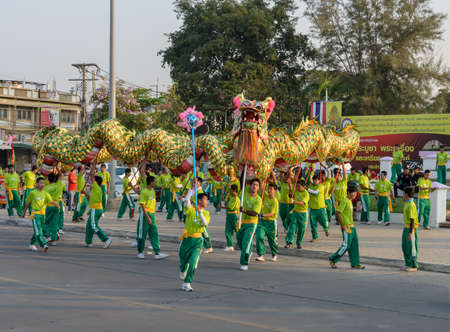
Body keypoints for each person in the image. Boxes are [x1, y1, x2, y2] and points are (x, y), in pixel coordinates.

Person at [178, 192, 210, 292]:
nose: (207, 202)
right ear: (199, 200)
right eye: (205, 199)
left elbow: (204, 223)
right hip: (187, 240)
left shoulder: (206, 213)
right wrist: (192, 189)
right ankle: (183, 269)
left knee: (193, 263)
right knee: (183, 260)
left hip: (198, 241)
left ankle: (187, 283)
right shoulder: (191, 210)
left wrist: (200, 212)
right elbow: (187, 201)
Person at [131, 175, 168, 260]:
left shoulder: (152, 191)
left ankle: (157, 253)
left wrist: (152, 216)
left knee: (154, 233)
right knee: (142, 234)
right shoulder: (144, 192)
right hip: (144, 215)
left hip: (152, 214)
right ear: (151, 182)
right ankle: (140, 252)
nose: (156, 183)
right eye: (155, 182)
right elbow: (142, 205)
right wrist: (147, 217)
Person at [329, 183, 365, 270]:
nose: (355, 194)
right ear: (348, 192)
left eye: (356, 193)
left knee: (354, 245)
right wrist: (342, 225)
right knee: (346, 246)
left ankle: (355, 264)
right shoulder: (344, 200)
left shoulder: (350, 201)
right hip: (346, 227)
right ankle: (333, 259)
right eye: (353, 193)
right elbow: (337, 212)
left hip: (352, 227)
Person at [21, 177, 58, 252]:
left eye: (43, 183)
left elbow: (50, 201)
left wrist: (56, 204)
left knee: (38, 230)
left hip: (42, 215)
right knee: (38, 231)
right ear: (36, 184)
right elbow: (27, 203)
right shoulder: (33, 193)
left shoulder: (45, 193)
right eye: (40, 183)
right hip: (35, 214)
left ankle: (32, 244)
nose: (42, 184)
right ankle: (44, 245)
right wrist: (24, 213)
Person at [83, 165, 112, 249]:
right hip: (95, 209)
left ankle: (106, 240)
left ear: (95, 182)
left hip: (96, 209)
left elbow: (92, 175)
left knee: (93, 225)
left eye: (93, 181)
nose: (91, 182)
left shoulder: (96, 187)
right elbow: (90, 199)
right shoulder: (95, 189)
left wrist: (93, 165)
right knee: (89, 225)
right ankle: (88, 242)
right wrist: (84, 193)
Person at [237, 178, 262, 271]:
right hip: (242, 222)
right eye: (253, 184)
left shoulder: (258, 199)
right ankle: (249, 250)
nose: (254, 186)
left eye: (257, 185)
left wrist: (244, 210)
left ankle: (244, 262)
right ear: (250, 186)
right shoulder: (245, 193)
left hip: (252, 223)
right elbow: (242, 182)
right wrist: (244, 169)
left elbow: (255, 213)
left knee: (246, 243)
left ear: (259, 187)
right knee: (240, 240)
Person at [255, 183, 279, 262]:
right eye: (268, 188)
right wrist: (263, 179)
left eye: (271, 189)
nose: (269, 190)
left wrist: (261, 215)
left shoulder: (275, 201)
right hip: (262, 222)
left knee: (271, 240)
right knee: (259, 237)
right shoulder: (265, 195)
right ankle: (261, 255)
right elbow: (261, 189)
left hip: (271, 223)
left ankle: (274, 254)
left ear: (275, 191)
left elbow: (272, 213)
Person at [285, 179, 309, 249]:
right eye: (297, 186)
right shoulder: (296, 190)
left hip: (303, 214)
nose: (297, 188)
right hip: (295, 212)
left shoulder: (306, 194)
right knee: (292, 227)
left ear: (304, 186)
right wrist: (289, 185)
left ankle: (299, 242)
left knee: (301, 229)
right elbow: (291, 194)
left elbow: (302, 203)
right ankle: (289, 242)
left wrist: (294, 202)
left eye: (299, 186)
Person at [43, 173, 65, 245]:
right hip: (57, 205)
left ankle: (47, 236)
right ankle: (54, 240)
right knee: (55, 222)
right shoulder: (59, 185)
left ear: (48, 179)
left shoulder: (46, 187)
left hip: (49, 206)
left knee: (47, 222)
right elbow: (61, 176)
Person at [402, 187, 419, 272]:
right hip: (406, 227)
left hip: (411, 229)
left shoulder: (412, 204)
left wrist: (410, 233)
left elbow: (412, 219)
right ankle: (407, 263)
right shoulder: (407, 203)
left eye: (404, 193)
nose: (403, 194)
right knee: (405, 246)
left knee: (411, 247)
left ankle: (413, 265)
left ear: (407, 194)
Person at [308, 174, 329, 242]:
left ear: (319, 181)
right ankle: (315, 237)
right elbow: (308, 178)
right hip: (312, 209)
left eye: (317, 180)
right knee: (313, 224)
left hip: (320, 208)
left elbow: (315, 192)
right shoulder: (310, 185)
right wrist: (311, 170)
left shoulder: (321, 186)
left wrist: (307, 189)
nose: (315, 181)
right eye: (314, 180)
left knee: (323, 221)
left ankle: (326, 229)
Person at [224, 184, 240, 251]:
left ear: (234, 191)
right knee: (228, 230)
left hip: (234, 215)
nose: (229, 191)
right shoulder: (231, 197)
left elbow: (230, 207)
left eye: (230, 190)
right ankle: (230, 245)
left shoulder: (236, 198)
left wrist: (222, 207)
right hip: (229, 215)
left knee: (237, 230)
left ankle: (241, 244)